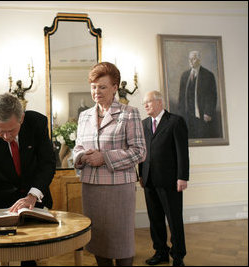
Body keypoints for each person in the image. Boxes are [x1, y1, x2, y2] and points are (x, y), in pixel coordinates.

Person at [73, 62, 146, 266]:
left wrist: (104, 157)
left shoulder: (129, 113)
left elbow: (139, 152)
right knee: (98, 241)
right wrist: (82, 157)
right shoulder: (84, 116)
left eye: (102, 87)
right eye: (94, 87)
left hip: (119, 189)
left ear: (115, 87)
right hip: (91, 188)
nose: (97, 92)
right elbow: (77, 147)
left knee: (121, 243)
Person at [0, 93, 56, 266]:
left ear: (21, 118)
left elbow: (47, 163)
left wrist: (33, 195)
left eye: (11, 130)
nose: (6, 136)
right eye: (0, 131)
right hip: (0, 204)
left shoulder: (36, 123)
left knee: (31, 256)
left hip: (33, 200)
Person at [139, 90, 189, 266]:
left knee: (174, 220)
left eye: (148, 102)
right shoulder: (144, 124)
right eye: (144, 102)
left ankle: (178, 256)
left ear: (160, 102)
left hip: (170, 181)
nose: (145, 105)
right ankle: (160, 252)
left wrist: (182, 177)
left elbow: (182, 152)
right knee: (155, 219)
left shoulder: (175, 122)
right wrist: (140, 174)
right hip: (149, 180)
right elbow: (141, 151)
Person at [178, 50, 217, 138]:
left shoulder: (208, 75)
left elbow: (212, 96)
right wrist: (180, 116)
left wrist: (208, 112)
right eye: (189, 59)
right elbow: (181, 98)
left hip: (202, 115)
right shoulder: (184, 76)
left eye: (194, 59)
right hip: (187, 116)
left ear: (199, 60)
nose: (191, 61)